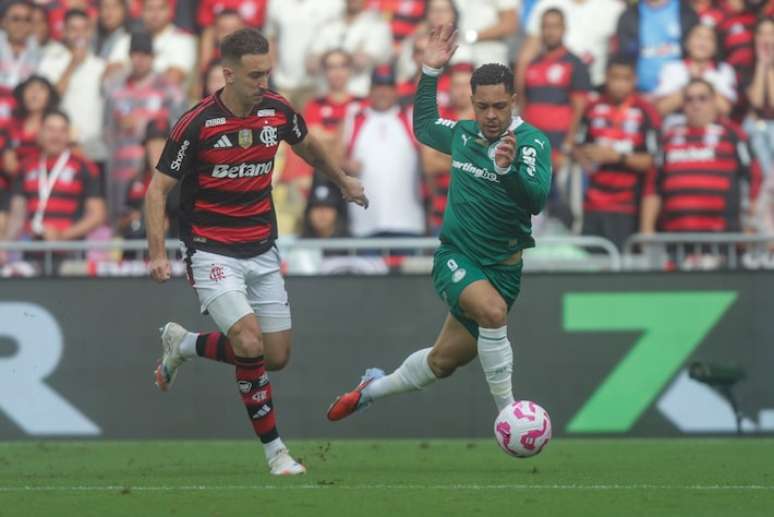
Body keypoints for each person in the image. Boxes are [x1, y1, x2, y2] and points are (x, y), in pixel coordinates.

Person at [144, 28, 368, 476]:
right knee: (247, 340)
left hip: (262, 247)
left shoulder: (277, 110)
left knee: (275, 355)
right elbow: (157, 190)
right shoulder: (197, 124)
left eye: (267, 72)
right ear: (228, 74)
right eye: (254, 75)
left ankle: (184, 343)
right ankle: (276, 453)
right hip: (211, 249)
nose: (264, 82)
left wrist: (342, 180)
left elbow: (308, 146)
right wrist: (157, 253)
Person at [327, 25, 552, 423]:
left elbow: (535, 200)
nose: (491, 116)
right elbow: (424, 125)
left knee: (442, 362)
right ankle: (510, 416)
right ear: (472, 102)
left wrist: (507, 171)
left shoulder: (531, 143)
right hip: (457, 257)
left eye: (500, 106)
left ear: (514, 101)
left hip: (504, 272)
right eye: (483, 106)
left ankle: (370, 389)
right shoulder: (464, 135)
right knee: (493, 313)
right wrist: (430, 72)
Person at [641, 78, 762, 235]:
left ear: (714, 101)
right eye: (689, 99)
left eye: (702, 98)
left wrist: (750, 224)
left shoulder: (733, 135)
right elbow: (653, 187)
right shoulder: (668, 138)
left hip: (723, 238)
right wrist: (647, 229)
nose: (695, 104)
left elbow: (754, 178)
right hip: (675, 237)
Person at [575, 55, 661, 250]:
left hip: (627, 207)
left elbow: (652, 160)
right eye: (615, 78)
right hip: (592, 204)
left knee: (622, 263)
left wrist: (617, 157)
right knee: (591, 262)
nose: (620, 85)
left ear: (634, 80)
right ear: (606, 77)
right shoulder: (592, 108)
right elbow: (578, 145)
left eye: (626, 79)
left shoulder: (646, 111)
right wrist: (586, 157)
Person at [104, 30, 183, 223]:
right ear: (130, 56)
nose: (140, 60)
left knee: (157, 222)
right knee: (122, 225)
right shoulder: (115, 89)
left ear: (153, 57)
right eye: (136, 54)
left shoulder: (170, 90)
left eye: (146, 54)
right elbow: (106, 130)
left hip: (155, 171)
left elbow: (180, 130)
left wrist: (144, 124)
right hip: (121, 170)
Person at [342, 63, 425, 238]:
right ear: (370, 90)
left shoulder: (410, 117)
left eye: (387, 87)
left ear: (395, 90)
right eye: (378, 87)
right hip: (364, 224)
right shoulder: (354, 117)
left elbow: (431, 159)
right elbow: (332, 158)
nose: (383, 92)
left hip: (407, 222)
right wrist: (345, 166)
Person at [9, 109, 106, 242]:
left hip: (70, 249)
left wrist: (62, 235)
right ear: (40, 132)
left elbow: (97, 215)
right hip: (33, 248)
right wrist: (4, 246)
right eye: (50, 129)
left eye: (62, 130)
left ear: (68, 135)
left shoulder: (85, 167)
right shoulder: (26, 166)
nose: (56, 136)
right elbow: (16, 215)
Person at [519, 7, 591, 169]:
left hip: (559, 148)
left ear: (564, 29)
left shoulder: (575, 64)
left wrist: (567, 146)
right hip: (532, 148)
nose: (550, 32)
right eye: (546, 26)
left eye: (555, 26)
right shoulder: (532, 64)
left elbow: (579, 109)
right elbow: (524, 104)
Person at [36, 8, 107, 163]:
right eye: (73, 29)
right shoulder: (49, 63)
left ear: (90, 32)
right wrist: (72, 65)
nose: (79, 34)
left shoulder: (100, 66)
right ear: (64, 32)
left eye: (84, 29)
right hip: (61, 144)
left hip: (92, 146)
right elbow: (49, 100)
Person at [308, 0, 393, 97]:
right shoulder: (329, 24)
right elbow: (311, 64)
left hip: (360, 94)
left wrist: (329, 58)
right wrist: (350, 55)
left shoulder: (377, 25)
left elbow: (362, 62)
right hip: (326, 95)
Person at [653, 23, 736, 120]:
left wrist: (701, 81)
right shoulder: (672, 68)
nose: (702, 43)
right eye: (698, 37)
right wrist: (690, 83)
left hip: (713, 124)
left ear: (715, 47)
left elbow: (725, 110)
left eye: (709, 38)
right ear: (687, 43)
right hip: (678, 123)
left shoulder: (724, 70)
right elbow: (661, 109)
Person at [615, 0, 699, 94]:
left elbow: (697, 49)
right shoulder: (629, 15)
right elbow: (624, 54)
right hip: (640, 92)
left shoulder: (687, 12)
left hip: (680, 93)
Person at [744, 17, 774, 178]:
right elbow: (757, 102)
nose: (766, 39)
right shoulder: (747, 66)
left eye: (771, 33)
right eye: (762, 34)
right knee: (753, 128)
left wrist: (771, 67)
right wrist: (762, 64)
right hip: (757, 127)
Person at [0, 0, 41, 89]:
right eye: (15, 19)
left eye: (27, 19)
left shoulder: (40, 52)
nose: (21, 24)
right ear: (3, 21)